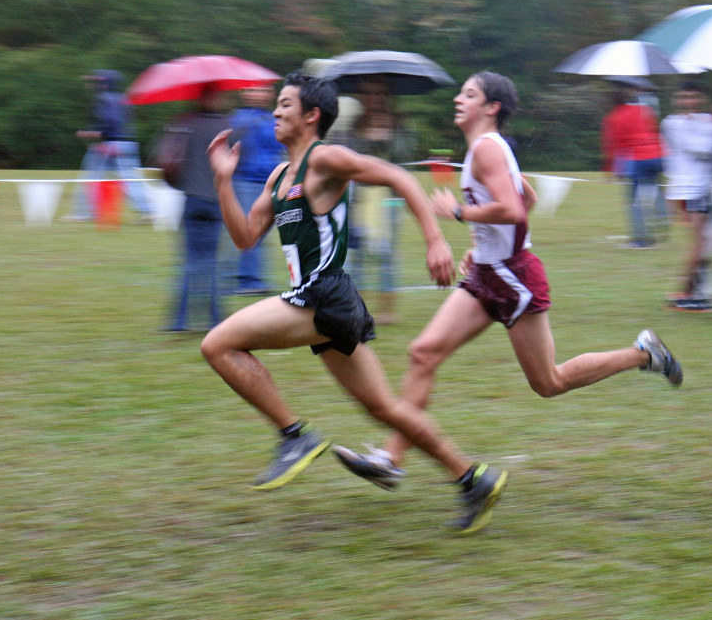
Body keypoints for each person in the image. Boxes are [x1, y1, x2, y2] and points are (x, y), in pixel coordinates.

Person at [331, 71, 682, 492]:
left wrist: (459, 214)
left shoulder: (486, 150)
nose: (459, 99)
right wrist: (482, 245)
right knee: (423, 353)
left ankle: (643, 354)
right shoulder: (486, 148)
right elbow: (526, 198)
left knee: (548, 382)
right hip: (488, 272)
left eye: (470, 94)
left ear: (492, 107)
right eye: (461, 92)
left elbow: (514, 210)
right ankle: (391, 459)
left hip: (515, 278)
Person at [202, 71, 507, 534]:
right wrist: (224, 181)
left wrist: (434, 240)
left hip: (320, 295)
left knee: (218, 345)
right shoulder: (280, 176)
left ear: (311, 115)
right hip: (326, 301)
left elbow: (397, 176)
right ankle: (472, 479)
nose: (275, 112)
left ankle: (294, 438)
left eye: (285, 104)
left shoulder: (326, 160)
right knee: (384, 407)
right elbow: (245, 238)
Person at [343, 78, 416, 324]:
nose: (373, 98)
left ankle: (387, 312)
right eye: (368, 93)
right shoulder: (355, 124)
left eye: (378, 93)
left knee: (386, 254)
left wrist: (388, 138)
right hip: (360, 197)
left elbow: (404, 157)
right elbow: (347, 156)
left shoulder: (398, 123)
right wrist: (367, 138)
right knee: (357, 254)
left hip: (389, 199)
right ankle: (358, 308)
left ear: (386, 96)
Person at [161, 92, 233, 333]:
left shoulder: (185, 122)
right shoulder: (226, 126)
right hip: (216, 200)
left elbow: (163, 159)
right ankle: (215, 320)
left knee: (189, 263)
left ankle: (179, 321)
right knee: (212, 263)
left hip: (191, 198)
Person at [661, 80, 712, 312]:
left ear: (703, 99)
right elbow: (696, 149)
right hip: (685, 188)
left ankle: (694, 291)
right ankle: (692, 291)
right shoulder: (671, 123)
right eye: (684, 97)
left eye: (694, 97)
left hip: (703, 187)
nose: (689, 102)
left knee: (705, 242)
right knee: (702, 243)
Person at [61, 70, 154, 223]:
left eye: (96, 81)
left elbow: (111, 121)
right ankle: (148, 211)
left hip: (109, 144)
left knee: (91, 178)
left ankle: (83, 213)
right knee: (130, 180)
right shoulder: (124, 99)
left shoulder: (103, 98)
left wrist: (95, 134)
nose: (93, 84)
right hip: (128, 143)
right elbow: (126, 121)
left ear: (104, 83)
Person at [228, 84, 281, 294]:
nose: (257, 94)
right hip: (245, 179)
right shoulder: (237, 119)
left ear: (271, 94)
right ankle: (248, 280)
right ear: (243, 94)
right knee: (249, 229)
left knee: (262, 232)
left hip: (269, 179)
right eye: (251, 90)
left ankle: (250, 276)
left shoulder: (274, 118)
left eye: (262, 90)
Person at [601, 80, 665, 248]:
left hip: (638, 159)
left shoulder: (613, 117)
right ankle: (662, 217)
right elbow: (654, 129)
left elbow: (612, 146)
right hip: (658, 155)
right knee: (655, 189)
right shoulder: (644, 110)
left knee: (635, 201)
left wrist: (612, 170)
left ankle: (641, 239)